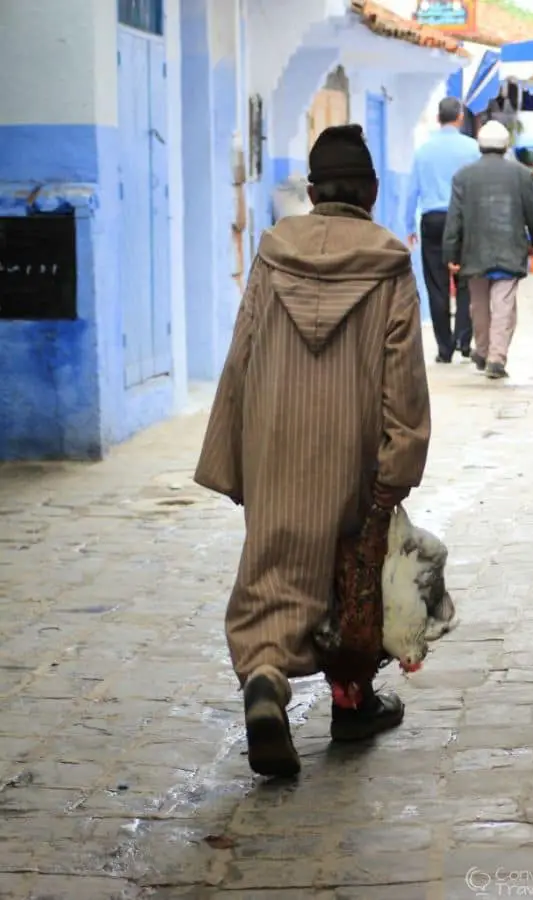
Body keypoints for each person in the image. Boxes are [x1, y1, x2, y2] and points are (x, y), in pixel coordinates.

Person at [194, 124, 431, 778]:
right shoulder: (387, 263)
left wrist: (230, 460)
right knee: (350, 580)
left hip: (273, 441)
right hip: (349, 450)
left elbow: (242, 356)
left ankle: (265, 680)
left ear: (314, 189)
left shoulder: (271, 255)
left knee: (272, 572)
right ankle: (350, 706)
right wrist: (398, 465)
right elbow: (400, 374)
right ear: (371, 191)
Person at [443, 121, 533, 380]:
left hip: (474, 251)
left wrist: (451, 253)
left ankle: (484, 349)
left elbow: (454, 218)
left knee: (478, 304)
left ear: (480, 144)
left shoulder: (463, 176)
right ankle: (496, 358)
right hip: (510, 249)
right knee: (503, 305)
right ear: (505, 145)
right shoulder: (522, 174)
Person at [406, 97, 480, 363]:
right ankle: (463, 338)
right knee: (466, 279)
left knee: (436, 283)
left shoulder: (423, 151)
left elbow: (411, 190)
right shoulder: (473, 149)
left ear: (438, 118)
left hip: (433, 219)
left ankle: (444, 348)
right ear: (460, 118)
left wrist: (407, 226)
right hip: (464, 219)